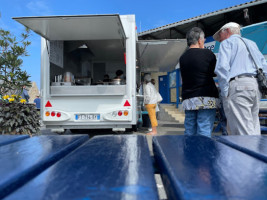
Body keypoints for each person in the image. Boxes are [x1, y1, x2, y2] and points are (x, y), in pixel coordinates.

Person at [214, 22, 267, 135]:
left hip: (238, 85)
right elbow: (264, 66)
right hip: (255, 86)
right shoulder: (252, 43)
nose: (220, 40)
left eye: (220, 36)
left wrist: (225, 92)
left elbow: (222, 68)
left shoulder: (227, 43)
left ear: (227, 31)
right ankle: (255, 151)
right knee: (253, 125)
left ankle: (246, 152)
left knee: (242, 131)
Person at [179, 27, 219, 137]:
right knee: (204, 128)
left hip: (189, 99)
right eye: (204, 40)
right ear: (199, 40)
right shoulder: (208, 54)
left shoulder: (183, 58)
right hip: (206, 97)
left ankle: (189, 153)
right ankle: (202, 154)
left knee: (189, 129)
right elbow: (214, 72)